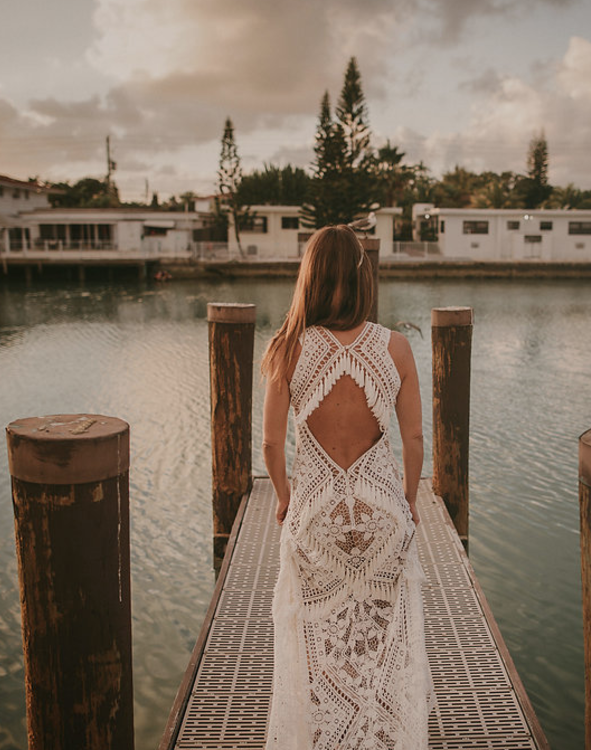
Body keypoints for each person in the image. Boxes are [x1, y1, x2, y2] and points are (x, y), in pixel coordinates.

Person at [260, 225, 432, 748]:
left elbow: (270, 446)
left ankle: (327, 733)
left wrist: (286, 498)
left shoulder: (288, 348)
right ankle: (379, 732)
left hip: (315, 515)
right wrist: (408, 499)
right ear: (364, 278)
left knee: (318, 636)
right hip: (381, 510)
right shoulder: (396, 347)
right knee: (381, 638)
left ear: (308, 278)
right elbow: (416, 439)